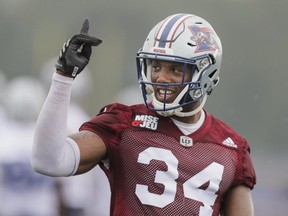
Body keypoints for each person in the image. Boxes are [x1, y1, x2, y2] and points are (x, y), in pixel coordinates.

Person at [31, 14, 256, 215]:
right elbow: (48, 161)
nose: (160, 78)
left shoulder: (232, 148)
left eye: (175, 69)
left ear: (206, 73)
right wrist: (63, 77)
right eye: (156, 66)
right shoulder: (124, 123)